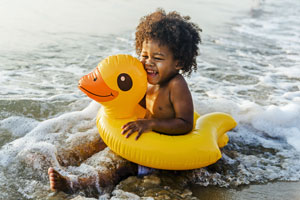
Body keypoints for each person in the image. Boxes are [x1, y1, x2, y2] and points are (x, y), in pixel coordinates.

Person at [48, 8, 201, 197]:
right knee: (97, 142)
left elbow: (186, 124)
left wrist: (151, 124)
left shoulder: (176, 85)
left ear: (178, 63)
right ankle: (59, 159)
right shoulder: (144, 78)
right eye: (144, 56)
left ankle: (75, 184)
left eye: (158, 58)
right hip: (142, 131)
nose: (148, 63)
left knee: (118, 168)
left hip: (157, 150)